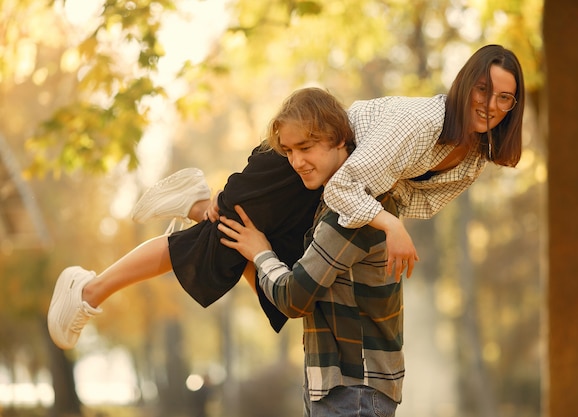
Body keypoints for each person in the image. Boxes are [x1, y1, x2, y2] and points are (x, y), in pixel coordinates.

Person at [47, 43, 525, 351]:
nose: (491, 105)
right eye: (484, 89)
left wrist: (386, 216)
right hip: (315, 154)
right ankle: (88, 290)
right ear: (467, 84)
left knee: (285, 297)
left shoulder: (474, 155)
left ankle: (198, 204)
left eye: (506, 98)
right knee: (219, 241)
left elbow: (412, 198)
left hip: (331, 184)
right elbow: (350, 185)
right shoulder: (422, 123)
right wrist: (388, 224)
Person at [217, 87, 404, 416]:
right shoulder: (333, 200)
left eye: (305, 147)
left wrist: (261, 252)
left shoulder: (355, 211)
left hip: (353, 391)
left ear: (338, 138)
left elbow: (295, 298)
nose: (296, 162)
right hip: (337, 388)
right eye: (288, 150)